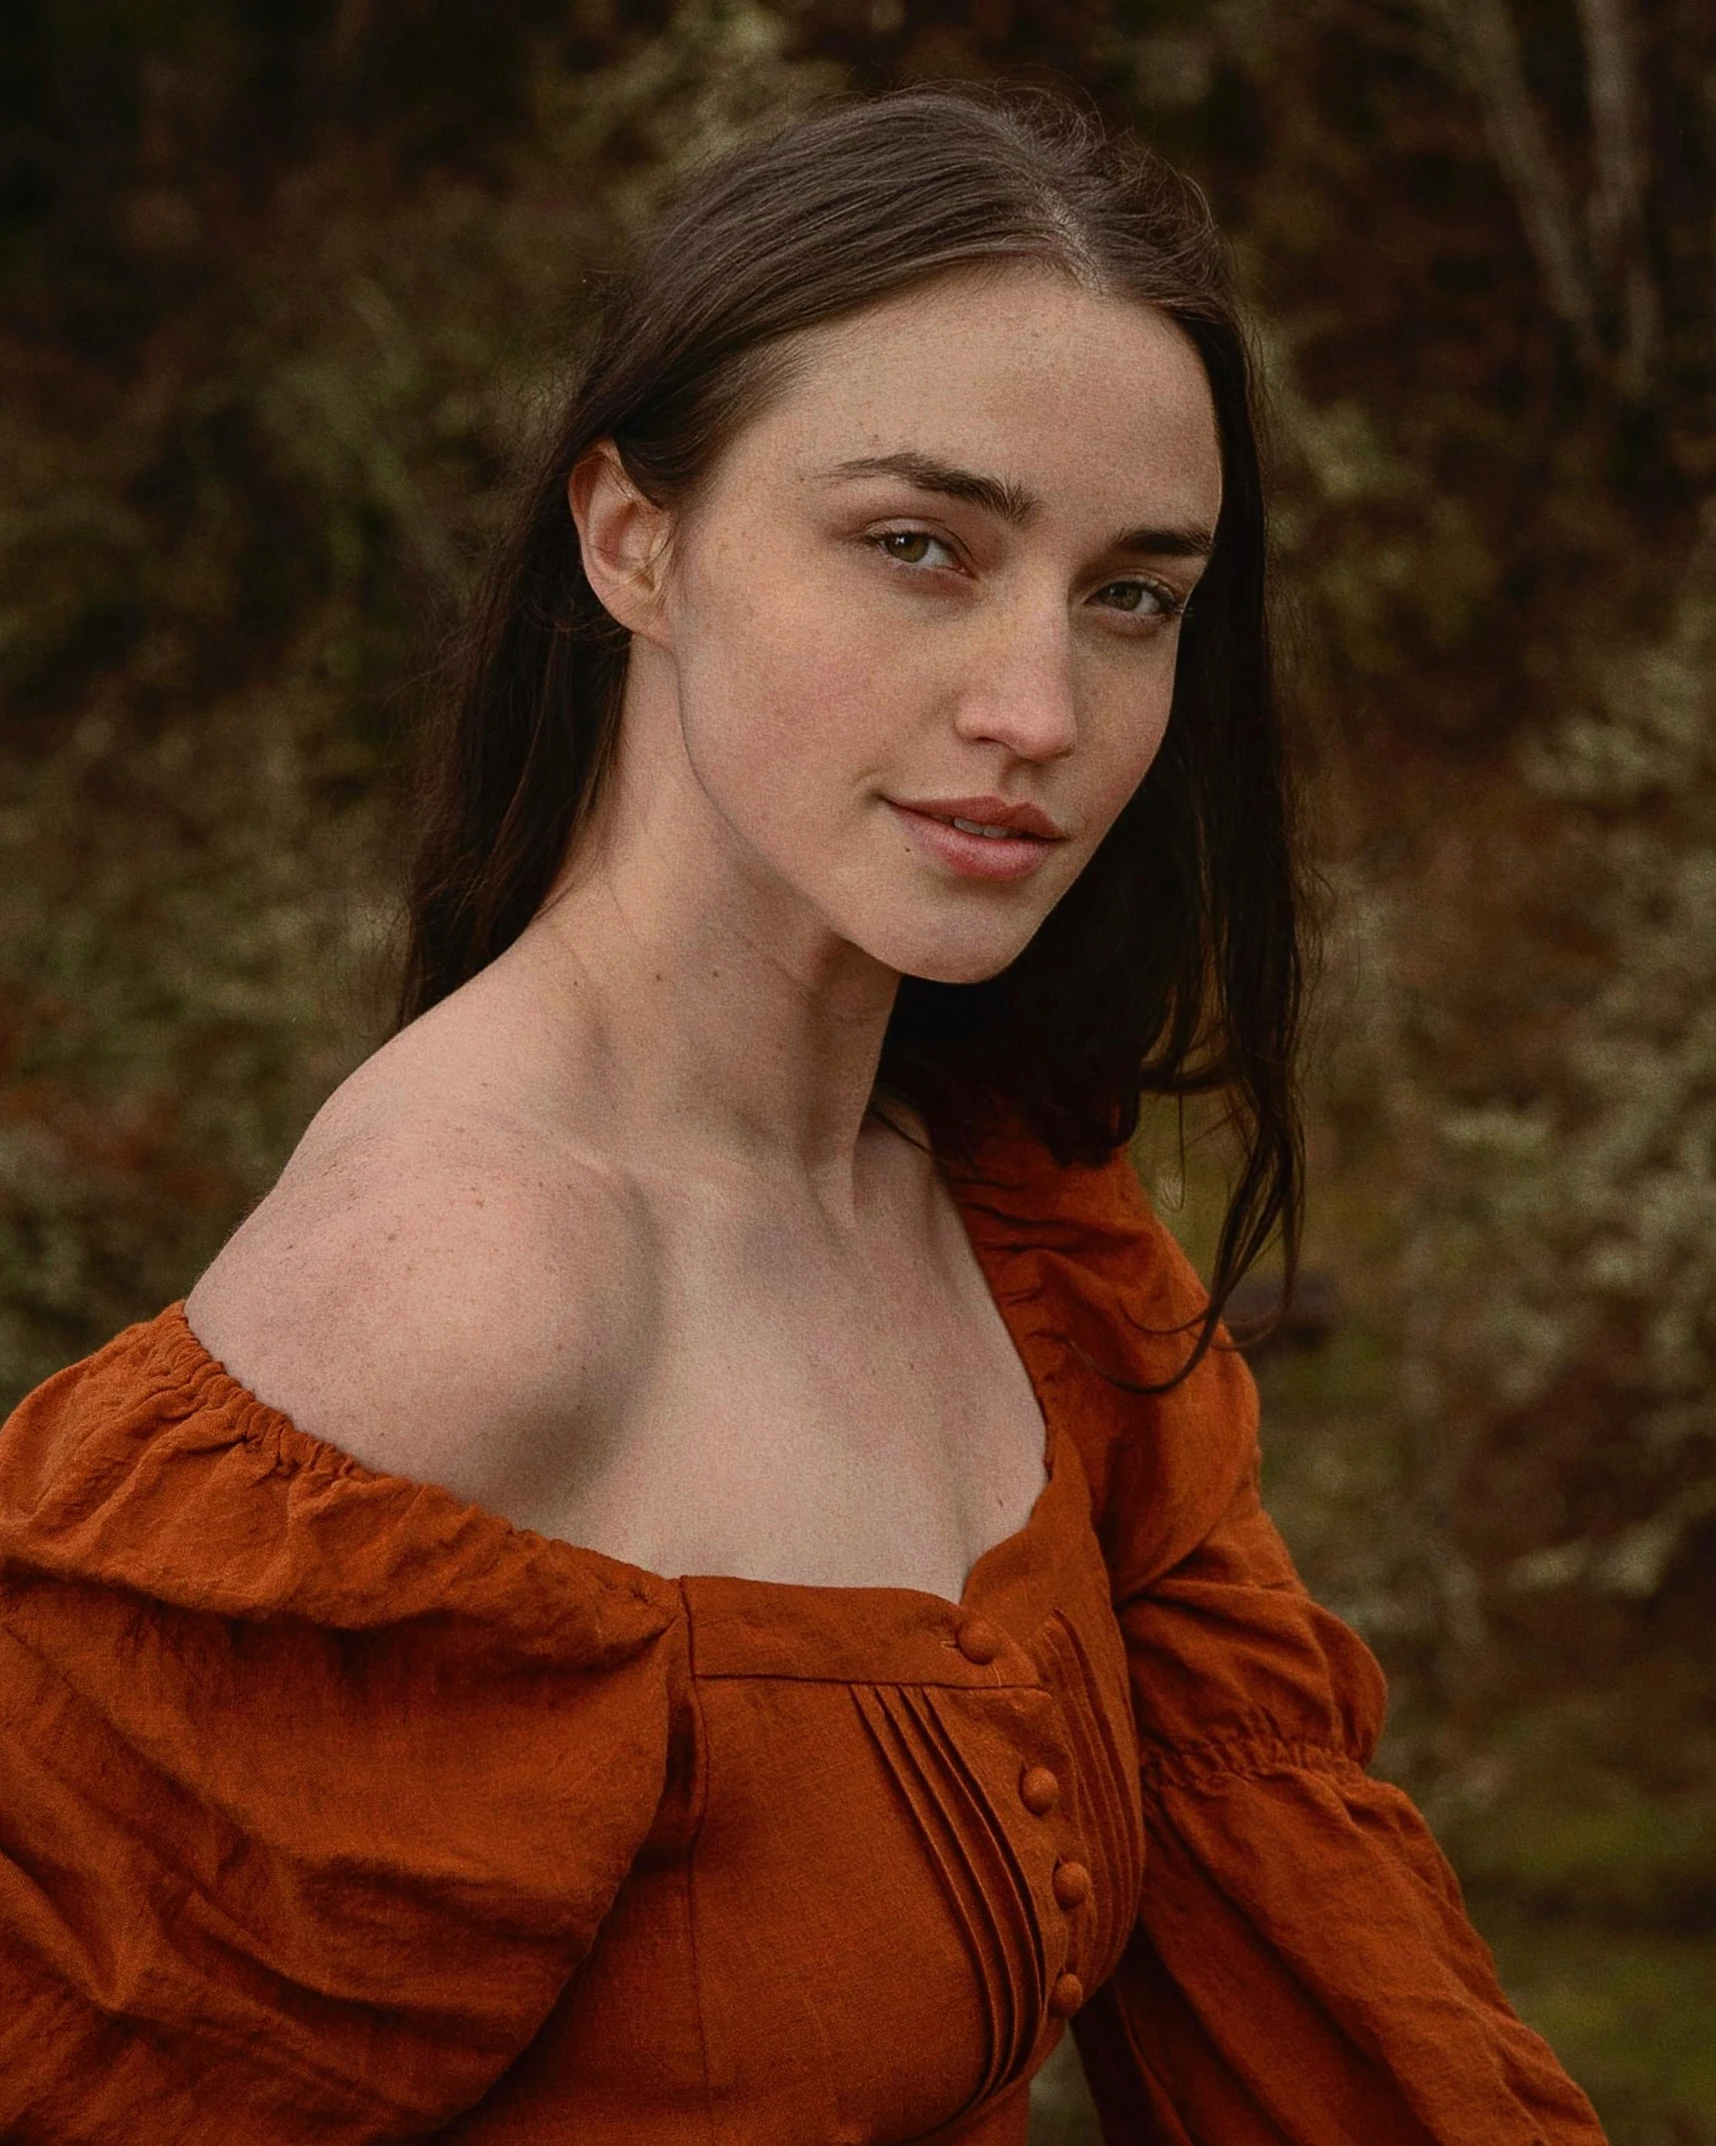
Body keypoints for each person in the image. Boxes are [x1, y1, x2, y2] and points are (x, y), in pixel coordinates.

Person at [0, 86, 1605, 2146]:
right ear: (632, 537)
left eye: (1133, 593)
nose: (1041, 707)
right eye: (920, 546)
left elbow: (1317, 1950)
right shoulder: (459, 1292)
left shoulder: (1012, 1207)